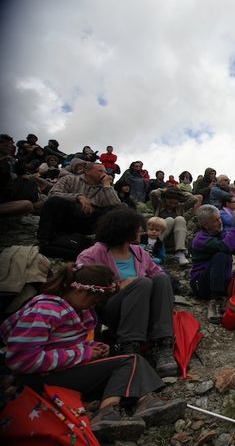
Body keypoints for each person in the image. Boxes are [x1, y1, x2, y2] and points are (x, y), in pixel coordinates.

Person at [0, 263, 185, 442]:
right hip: (38, 379)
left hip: (57, 372)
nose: (92, 306)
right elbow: (22, 360)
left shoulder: (76, 310)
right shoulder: (44, 310)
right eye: (93, 301)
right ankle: (109, 411)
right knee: (129, 361)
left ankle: (145, 401)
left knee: (126, 361)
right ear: (79, 290)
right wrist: (83, 354)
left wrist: (90, 348)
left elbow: (61, 346)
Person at [77, 208, 179, 376]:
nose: (142, 230)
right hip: (110, 311)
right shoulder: (93, 254)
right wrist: (120, 287)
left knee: (161, 279)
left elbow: (156, 272)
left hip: (141, 311)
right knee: (143, 283)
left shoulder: (138, 252)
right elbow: (82, 285)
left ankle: (163, 344)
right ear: (124, 230)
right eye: (137, 227)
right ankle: (129, 346)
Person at [37, 162, 121, 244]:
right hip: (68, 216)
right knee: (55, 201)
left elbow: (117, 206)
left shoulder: (104, 188)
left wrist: (107, 186)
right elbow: (52, 194)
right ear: (87, 171)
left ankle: (106, 244)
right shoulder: (70, 179)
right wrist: (78, 197)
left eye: (105, 172)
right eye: (100, 171)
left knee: (120, 209)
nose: (104, 174)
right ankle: (45, 240)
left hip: (88, 220)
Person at [150, 187, 199, 265]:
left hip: (175, 239)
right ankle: (152, 246)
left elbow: (193, 199)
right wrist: (165, 190)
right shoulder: (159, 205)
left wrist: (179, 192)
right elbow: (154, 193)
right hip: (160, 238)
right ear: (165, 200)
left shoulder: (180, 207)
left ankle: (180, 252)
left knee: (180, 219)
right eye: (170, 202)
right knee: (170, 220)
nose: (173, 205)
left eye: (175, 203)